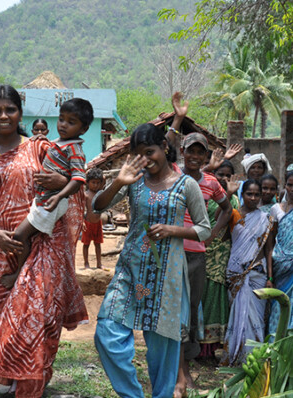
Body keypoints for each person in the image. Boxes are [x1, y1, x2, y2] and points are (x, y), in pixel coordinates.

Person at [93, 123, 211, 398]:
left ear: (165, 148)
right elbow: (98, 206)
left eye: (150, 152)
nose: (145, 160)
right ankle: (132, 394)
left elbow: (204, 229)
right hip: (130, 271)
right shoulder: (134, 180)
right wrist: (119, 182)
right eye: (138, 155)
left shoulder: (187, 185)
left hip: (166, 278)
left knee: (162, 357)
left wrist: (173, 230)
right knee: (106, 332)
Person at [0, 84, 88, 398]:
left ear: (20, 112)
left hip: (43, 244)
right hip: (0, 247)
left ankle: (32, 383)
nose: (4, 116)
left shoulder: (41, 147)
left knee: (36, 315)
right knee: (8, 314)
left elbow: (72, 181)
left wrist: (61, 183)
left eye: (10, 109)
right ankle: (14, 378)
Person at [168, 92, 232, 395]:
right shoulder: (173, 174)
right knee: (173, 310)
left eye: (200, 153)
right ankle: (177, 371)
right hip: (171, 251)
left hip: (196, 256)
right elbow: (164, 146)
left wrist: (212, 233)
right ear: (183, 152)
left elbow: (227, 209)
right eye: (190, 151)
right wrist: (178, 118)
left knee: (191, 312)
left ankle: (186, 371)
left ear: (206, 158)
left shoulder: (209, 182)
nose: (194, 157)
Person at [1, 97, 93, 289]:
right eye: (61, 119)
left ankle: (17, 274)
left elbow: (78, 179)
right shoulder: (60, 143)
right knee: (31, 238)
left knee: (19, 236)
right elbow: (51, 151)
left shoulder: (74, 149)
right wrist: (41, 139)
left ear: (83, 129)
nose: (63, 125)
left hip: (52, 203)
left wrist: (59, 195)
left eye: (71, 122)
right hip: (44, 200)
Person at [221, 180, 274, 366]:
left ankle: (254, 359)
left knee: (255, 318)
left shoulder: (266, 219)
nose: (253, 198)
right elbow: (219, 216)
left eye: (256, 194)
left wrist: (270, 277)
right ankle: (236, 358)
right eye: (249, 194)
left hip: (257, 274)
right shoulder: (233, 214)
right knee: (237, 317)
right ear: (242, 194)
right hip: (236, 273)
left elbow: (268, 250)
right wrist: (228, 194)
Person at [200, 160, 240, 358]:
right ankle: (200, 346)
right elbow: (211, 219)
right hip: (203, 251)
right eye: (220, 174)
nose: (223, 178)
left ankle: (214, 345)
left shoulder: (233, 201)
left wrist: (230, 194)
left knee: (217, 297)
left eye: (227, 175)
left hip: (222, 253)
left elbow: (234, 225)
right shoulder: (206, 196)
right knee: (203, 296)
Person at [268, 170, 293, 337]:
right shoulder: (276, 209)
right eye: (290, 185)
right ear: (285, 186)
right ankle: (274, 354)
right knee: (278, 310)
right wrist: (270, 277)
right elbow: (270, 243)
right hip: (280, 268)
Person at [82, 167, 104, 269]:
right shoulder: (86, 195)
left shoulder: (100, 194)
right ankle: (86, 263)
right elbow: (81, 209)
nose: (96, 185)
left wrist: (101, 179)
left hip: (98, 223)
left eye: (98, 183)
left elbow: (104, 179)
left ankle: (99, 263)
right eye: (93, 182)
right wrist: (82, 221)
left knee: (98, 244)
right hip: (88, 223)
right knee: (86, 244)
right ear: (88, 182)